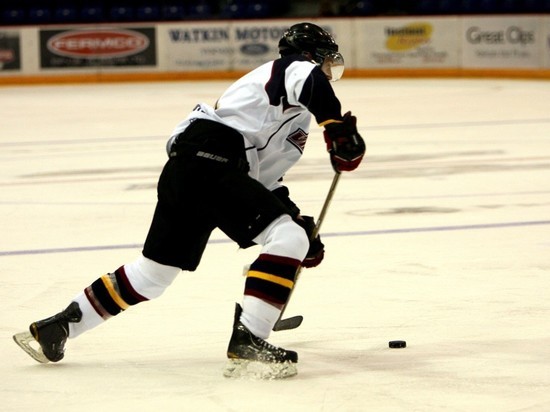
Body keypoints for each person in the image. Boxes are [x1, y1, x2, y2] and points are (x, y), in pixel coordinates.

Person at [13, 22, 365, 379]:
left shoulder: (290, 114)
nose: (327, 71)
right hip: (214, 156)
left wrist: (301, 223)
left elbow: (263, 181)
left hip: (191, 169)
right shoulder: (292, 69)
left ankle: (58, 327)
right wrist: (337, 128)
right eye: (325, 61)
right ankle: (250, 339)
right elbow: (310, 82)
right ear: (310, 55)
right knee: (286, 237)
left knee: (153, 274)